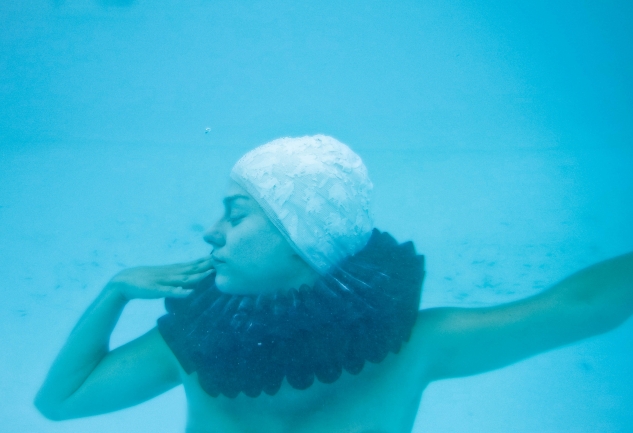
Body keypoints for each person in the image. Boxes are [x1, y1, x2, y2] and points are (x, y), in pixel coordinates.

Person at [35, 135, 633, 433]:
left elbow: (578, 306)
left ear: (300, 240)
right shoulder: (192, 346)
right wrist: (114, 291)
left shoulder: (420, 345)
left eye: (236, 214)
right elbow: (58, 404)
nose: (211, 232)